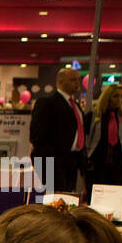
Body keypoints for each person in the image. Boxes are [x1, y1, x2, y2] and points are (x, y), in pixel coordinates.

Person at [29, 67, 87, 195]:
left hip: (72, 160)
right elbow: (36, 136)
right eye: (73, 80)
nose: (77, 83)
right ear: (60, 82)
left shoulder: (75, 105)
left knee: (66, 198)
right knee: (54, 199)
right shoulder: (47, 103)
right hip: (52, 161)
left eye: (78, 79)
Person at [85, 84, 122, 190]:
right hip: (97, 163)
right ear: (107, 97)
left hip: (117, 162)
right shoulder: (93, 115)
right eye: (116, 96)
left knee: (115, 196)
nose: (119, 99)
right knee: (95, 197)